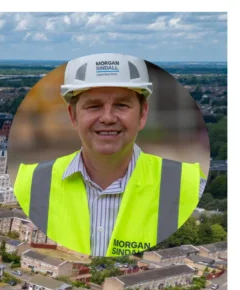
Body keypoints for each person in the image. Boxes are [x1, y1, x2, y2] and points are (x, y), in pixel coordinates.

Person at [14, 54, 205, 257]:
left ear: (142, 114)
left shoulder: (188, 186)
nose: (107, 118)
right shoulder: (30, 183)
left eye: (122, 105)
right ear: (73, 116)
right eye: (94, 106)